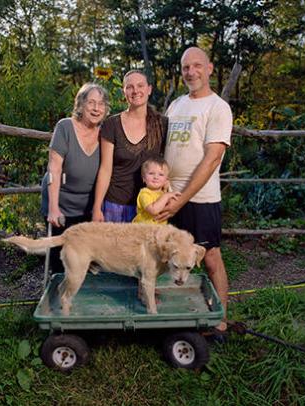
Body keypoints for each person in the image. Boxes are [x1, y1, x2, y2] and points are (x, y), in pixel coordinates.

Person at [158, 47, 233, 335]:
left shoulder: (217, 108)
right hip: (170, 197)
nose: (191, 72)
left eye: (197, 66)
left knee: (210, 257)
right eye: (186, 67)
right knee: (171, 256)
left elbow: (213, 158)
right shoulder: (176, 105)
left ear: (210, 68)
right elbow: (167, 148)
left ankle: (219, 322)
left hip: (200, 200)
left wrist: (181, 201)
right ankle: (173, 315)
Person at [41, 83, 109, 272]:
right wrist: (54, 209)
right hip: (60, 202)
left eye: (101, 104)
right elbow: (54, 168)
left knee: (84, 258)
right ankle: (55, 297)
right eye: (91, 103)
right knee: (60, 259)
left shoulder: (105, 133)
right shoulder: (65, 127)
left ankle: (79, 298)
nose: (96, 108)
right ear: (80, 105)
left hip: (87, 206)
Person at [92, 70, 167, 223]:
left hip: (149, 207)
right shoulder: (111, 124)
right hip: (115, 205)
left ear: (149, 89)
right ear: (124, 91)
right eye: (130, 87)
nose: (135, 91)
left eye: (140, 85)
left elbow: (166, 162)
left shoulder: (162, 124)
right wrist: (97, 207)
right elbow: (105, 169)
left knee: (143, 247)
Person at [132, 157, 180, 225]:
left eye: (161, 174)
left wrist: (166, 190)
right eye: (151, 173)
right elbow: (154, 210)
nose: (156, 177)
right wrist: (166, 196)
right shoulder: (144, 193)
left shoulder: (163, 193)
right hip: (144, 231)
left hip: (158, 231)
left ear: (166, 180)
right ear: (144, 178)